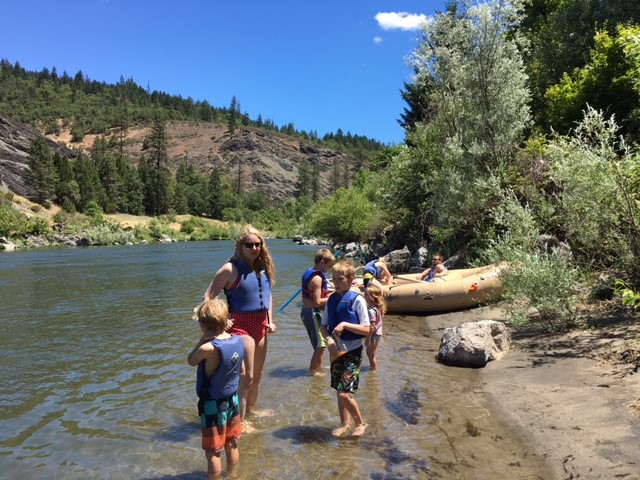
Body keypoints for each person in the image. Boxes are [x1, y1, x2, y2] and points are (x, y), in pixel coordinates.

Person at [203, 225, 276, 431]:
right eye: (249, 244)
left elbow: (268, 296)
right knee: (247, 377)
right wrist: (221, 320)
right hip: (240, 326)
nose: (254, 248)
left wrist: (270, 319)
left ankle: (251, 410)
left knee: (258, 375)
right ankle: (240, 423)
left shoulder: (263, 267)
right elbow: (207, 298)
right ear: (240, 246)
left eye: (257, 244)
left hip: (261, 325)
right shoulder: (230, 269)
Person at [187, 299, 245, 478]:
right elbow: (242, 371)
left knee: (213, 451)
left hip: (213, 404)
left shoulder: (208, 348)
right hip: (232, 400)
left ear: (204, 325)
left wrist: (201, 340)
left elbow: (190, 360)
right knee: (231, 441)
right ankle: (233, 474)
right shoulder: (238, 341)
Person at [320, 261, 371, 438]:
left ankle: (360, 422)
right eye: (333, 279)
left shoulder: (357, 300)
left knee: (343, 393)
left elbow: (367, 329)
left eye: (340, 279)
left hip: (352, 352)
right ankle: (345, 423)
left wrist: (345, 325)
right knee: (339, 390)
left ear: (350, 280)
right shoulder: (332, 300)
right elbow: (324, 326)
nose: (336, 283)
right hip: (335, 352)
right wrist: (328, 339)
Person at [301, 248, 335, 375]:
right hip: (311, 312)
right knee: (320, 345)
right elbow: (317, 301)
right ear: (322, 262)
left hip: (310, 312)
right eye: (329, 265)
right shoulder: (317, 279)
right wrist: (332, 297)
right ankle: (313, 372)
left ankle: (318, 367)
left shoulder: (309, 271)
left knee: (321, 343)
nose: (330, 268)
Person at [364, 286, 386, 370]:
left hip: (374, 334)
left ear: (373, 297)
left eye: (367, 295)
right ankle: (373, 367)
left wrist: (368, 338)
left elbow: (372, 326)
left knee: (370, 353)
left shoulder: (371, 310)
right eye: (365, 294)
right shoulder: (377, 306)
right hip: (378, 332)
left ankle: (373, 369)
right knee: (370, 352)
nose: (364, 296)